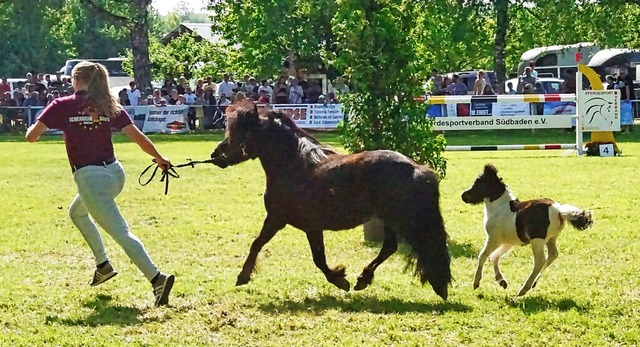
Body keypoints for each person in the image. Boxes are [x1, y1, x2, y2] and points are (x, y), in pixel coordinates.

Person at [25, 61, 175, 307]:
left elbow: (32, 137)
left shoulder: (61, 105)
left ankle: (157, 278)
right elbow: (137, 136)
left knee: (121, 233)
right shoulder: (109, 104)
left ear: (75, 80)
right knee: (77, 213)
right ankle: (103, 265)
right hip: (115, 174)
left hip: (90, 179)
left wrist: (37, 124)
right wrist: (159, 159)